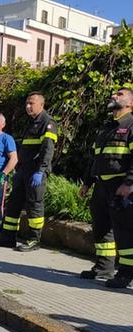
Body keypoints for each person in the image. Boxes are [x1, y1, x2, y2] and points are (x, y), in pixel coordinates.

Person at [79, 85, 133, 288]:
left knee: (124, 231)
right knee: (101, 228)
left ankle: (126, 274)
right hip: (101, 186)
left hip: (121, 187)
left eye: (120, 94)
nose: (114, 95)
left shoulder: (131, 126)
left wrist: (129, 183)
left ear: (130, 103)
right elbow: (95, 158)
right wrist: (87, 182)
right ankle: (103, 266)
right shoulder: (106, 128)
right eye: (114, 93)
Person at [0, 92, 58, 252]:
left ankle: (34, 240)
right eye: (26, 103)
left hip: (35, 172)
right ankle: (8, 237)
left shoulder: (48, 123)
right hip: (23, 171)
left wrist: (41, 170)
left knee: (35, 205)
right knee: (13, 204)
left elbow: (48, 149)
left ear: (41, 104)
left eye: (31, 103)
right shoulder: (31, 123)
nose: (27, 106)